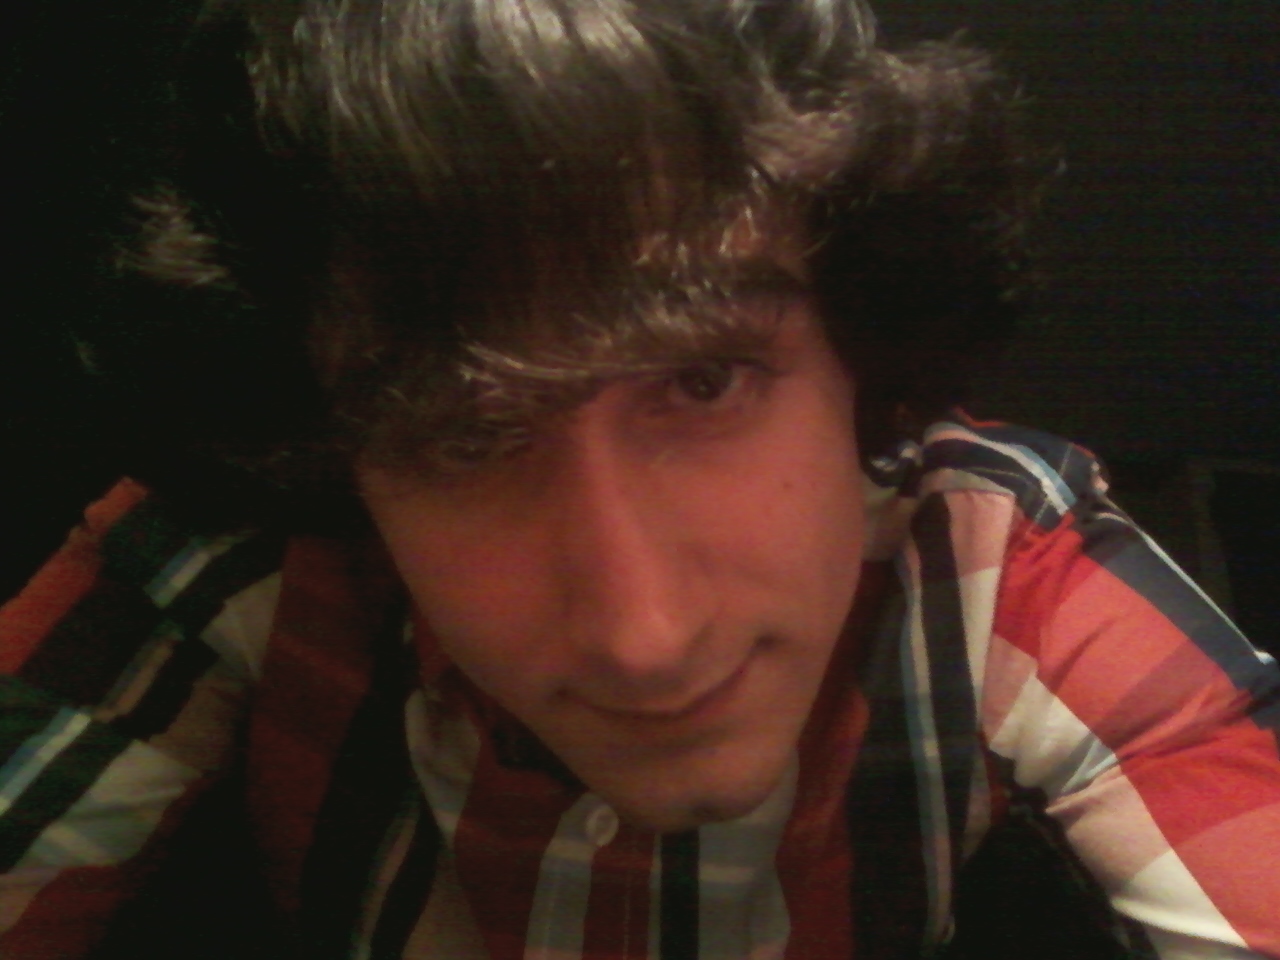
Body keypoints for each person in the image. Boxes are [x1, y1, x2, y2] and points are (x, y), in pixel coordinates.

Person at [1, 0, 1278, 957]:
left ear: (856, 336)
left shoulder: (1007, 574)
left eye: (704, 380)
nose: (644, 639)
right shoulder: (236, 547)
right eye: (461, 433)